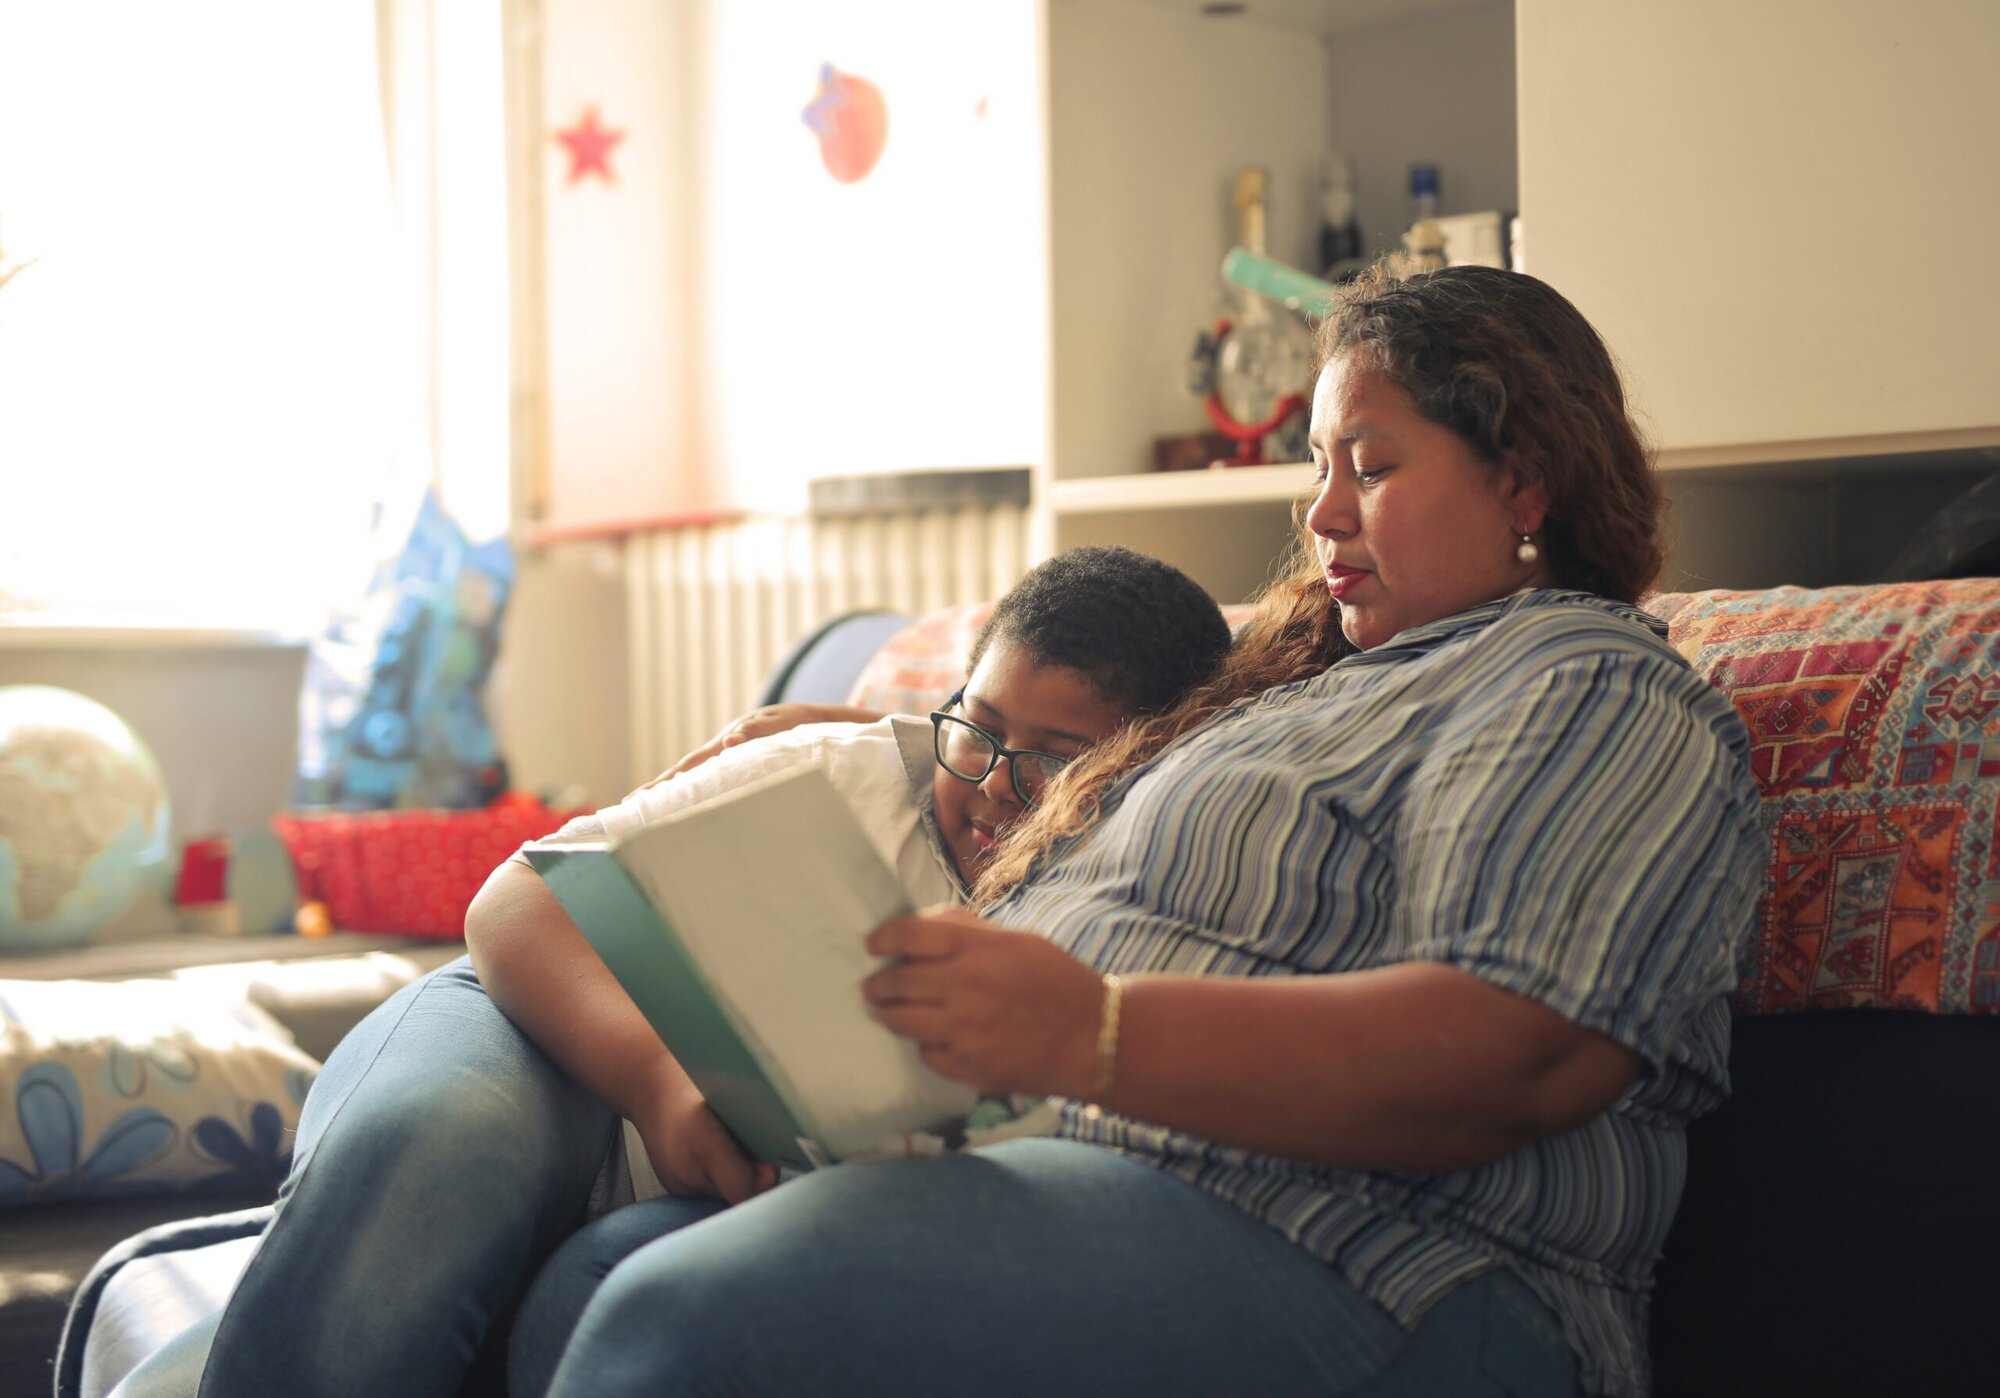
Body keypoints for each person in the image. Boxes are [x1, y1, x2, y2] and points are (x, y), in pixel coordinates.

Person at [499, 264, 1766, 1398]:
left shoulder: (1583, 682)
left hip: (1382, 1254)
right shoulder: (1304, 688)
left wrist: (1087, 1032)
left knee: (687, 1321)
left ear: (1523, 479)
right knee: (589, 1285)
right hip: (1079, 1171)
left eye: (1369, 469)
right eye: (1316, 468)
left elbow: (1520, 1054)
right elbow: (1054, 710)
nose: (1321, 516)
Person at [158, 547, 1230, 1398]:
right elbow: (518, 901)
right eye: (977, 732)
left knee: (598, 1298)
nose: (995, 786)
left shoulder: (1139, 902)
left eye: (1049, 760)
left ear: (1155, 764)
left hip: (728, 1193)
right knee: (426, 1145)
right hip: (544, 1031)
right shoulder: (842, 772)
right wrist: (659, 1084)